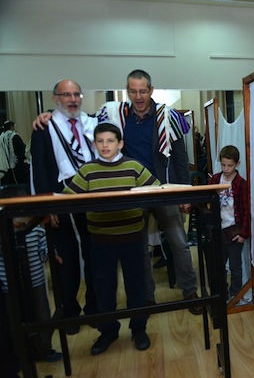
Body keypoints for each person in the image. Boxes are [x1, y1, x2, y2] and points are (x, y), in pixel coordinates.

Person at [33, 70, 202, 314]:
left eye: (143, 91)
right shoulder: (117, 115)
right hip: (132, 192)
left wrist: (186, 193)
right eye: (133, 91)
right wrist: (49, 115)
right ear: (127, 91)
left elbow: (179, 157)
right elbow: (79, 118)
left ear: (151, 90)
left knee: (180, 244)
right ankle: (147, 298)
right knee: (140, 248)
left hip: (163, 190)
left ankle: (191, 292)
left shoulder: (166, 117)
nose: (138, 96)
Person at [63, 122, 158, 355]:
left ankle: (138, 329)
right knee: (103, 289)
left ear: (120, 143)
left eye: (110, 141)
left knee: (137, 286)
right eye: (101, 141)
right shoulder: (87, 170)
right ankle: (108, 331)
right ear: (95, 144)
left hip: (133, 238)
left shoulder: (134, 167)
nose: (105, 145)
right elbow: (67, 198)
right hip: (101, 241)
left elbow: (157, 189)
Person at [30, 79, 97, 334]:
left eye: (76, 94)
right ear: (55, 98)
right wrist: (47, 207)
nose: (72, 99)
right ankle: (69, 312)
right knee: (65, 260)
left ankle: (94, 308)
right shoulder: (44, 128)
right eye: (66, 95)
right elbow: (39, 170)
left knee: (93, 256)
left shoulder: (90, 123)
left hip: (90, 199)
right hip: (59, 199)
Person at [0, 186, 62, 363]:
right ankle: (21, 355)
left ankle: (45, 350)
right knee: (15, 320)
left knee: (42, 316)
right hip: (10, 284)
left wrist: (51, 253)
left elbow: (43, 244)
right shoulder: (3, 230)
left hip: (36, 281)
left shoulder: (34, 227)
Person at [207, 145, 250, 301]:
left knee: (235, 266)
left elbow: (246, 211)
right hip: (218, 229)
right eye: (223, 164)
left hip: (234, 231)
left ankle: (235, 294)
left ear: (237, 164)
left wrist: (243, 234)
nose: (226, 168)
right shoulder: (215, 179)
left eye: (230, 165)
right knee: (218, 265)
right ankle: (222, 293)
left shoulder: (241, 184)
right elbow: (206, 198)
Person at [0, 121, 29, 187]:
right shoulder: (14, 136)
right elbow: (23, 149)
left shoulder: (1, 137)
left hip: (6, 168)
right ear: (11, 127)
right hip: (17, 166)